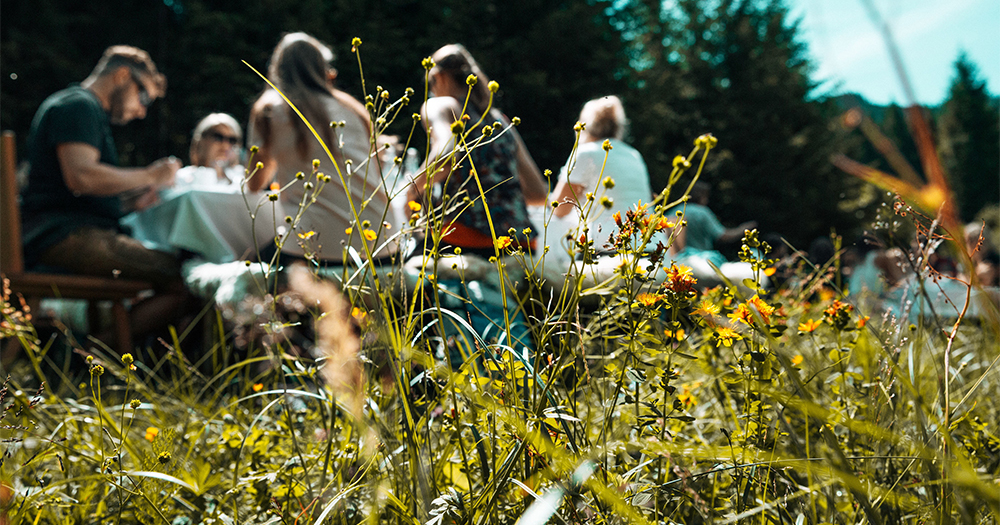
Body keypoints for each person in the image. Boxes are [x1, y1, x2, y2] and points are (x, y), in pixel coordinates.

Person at [19, 45, 188, 341]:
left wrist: (131, 203)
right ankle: (95, 353)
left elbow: (72, 192)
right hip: (62, 237)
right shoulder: (78, 106)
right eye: (143, 96)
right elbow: (81, 177)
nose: (142, 110)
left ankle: (92, 351)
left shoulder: (83, 109)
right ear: (123, 75)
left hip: (64, 231)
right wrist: (152, 174)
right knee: (187, 278)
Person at [248, 32, 396, 265]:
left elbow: (255, 183)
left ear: (277, 69)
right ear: (323, 68)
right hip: (385, 245)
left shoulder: (270, 109)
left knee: (246, 265)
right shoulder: (353, 108)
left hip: (313, 247)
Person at [408, 44, 548, 258]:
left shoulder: (441, 105)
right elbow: (539, 193)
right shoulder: (500, 120)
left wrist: (409, 191)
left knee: (405, 279)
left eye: (431, 82)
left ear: (439, 77)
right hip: (521, 247)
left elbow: (445, 155)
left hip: (464, 243)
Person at [549, 95, 664, 253]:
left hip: (605, 251)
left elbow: (560, 209)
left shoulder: (584, 153)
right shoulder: (634, 155)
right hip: (649, 249)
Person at [176, 113, 244, 186]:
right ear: (201, 140)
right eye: (218, 137)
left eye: (232, 140)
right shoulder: (182, 177)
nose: (225, 145)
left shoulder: (241, 179)